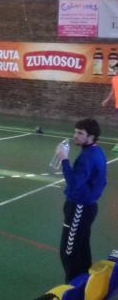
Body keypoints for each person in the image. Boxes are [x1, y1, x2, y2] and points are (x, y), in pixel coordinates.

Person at [53, 118, 107, 283]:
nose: (74, 136)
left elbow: (74, 183)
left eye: (80, 133)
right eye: (75, 131)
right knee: (82, 246)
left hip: (80, 207)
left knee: (68, 251)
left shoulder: (87, 157)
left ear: (91, 137)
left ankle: (73, 287)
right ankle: (85, 282)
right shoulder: (96, 151)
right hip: (87, 206)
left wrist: (64, 159)